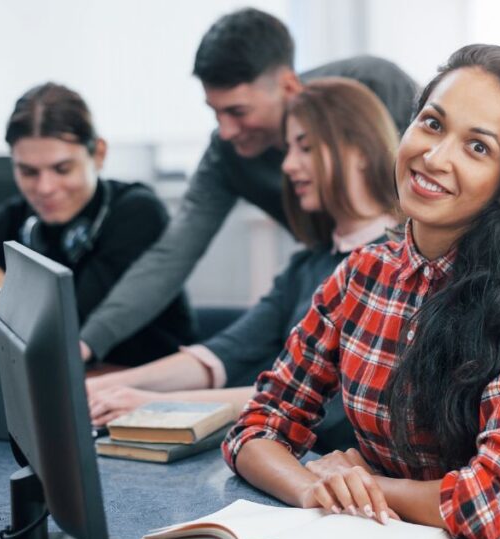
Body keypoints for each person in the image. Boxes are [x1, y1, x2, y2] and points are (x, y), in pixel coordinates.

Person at [221, 45, 500, 539]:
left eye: (477, 147)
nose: (435, 157)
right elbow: (257, 427)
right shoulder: (361, 275)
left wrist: (367, 488)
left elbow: (489, 503)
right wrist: (319, 487)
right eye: (432, 124)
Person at [76, 8, 416, 363]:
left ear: (287, 86)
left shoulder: (373, 87)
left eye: (237, 112)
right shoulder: (227, 155)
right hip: (326, 291)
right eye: (215, 112)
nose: (225, 131)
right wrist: (88, 342)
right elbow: (172, 255)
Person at [86, 78, 401, 452]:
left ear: (360, 150)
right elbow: (228, 351)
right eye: (289, 148)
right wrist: (105, 388)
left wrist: (156, 404)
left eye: (306, 148)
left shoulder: (394, 267)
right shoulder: (309, 265)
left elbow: (321, 403)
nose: (287, 164)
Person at [0, 82, 192, 367]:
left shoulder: (138, 213)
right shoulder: (16, 216)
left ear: (99, 154)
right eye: (28, 172)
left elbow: (64, 336)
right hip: (62, 390)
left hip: (147, 391)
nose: (45, 188)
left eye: (62, 169)